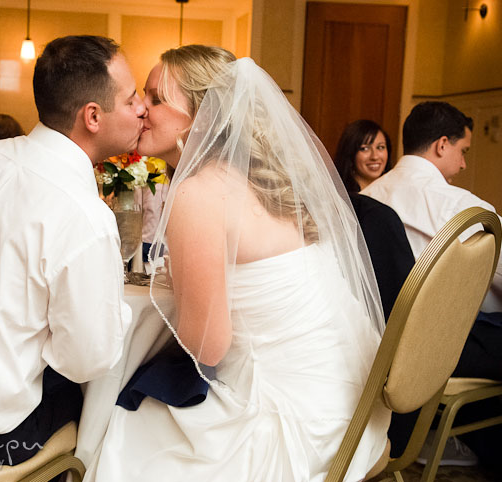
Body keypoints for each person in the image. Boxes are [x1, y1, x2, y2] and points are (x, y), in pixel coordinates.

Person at [87, 45, 390, 481]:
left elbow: (208, 346)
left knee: (119, 431)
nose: (141, 110)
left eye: (156, 99)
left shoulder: (198, 193)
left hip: (294, 421)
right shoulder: (260, 177)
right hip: (353, 404)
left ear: (202, 117)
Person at [0, 35, 144, 469]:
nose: (142, 108)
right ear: (92, 116)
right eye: (131, 99)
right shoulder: (84, 217)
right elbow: (88, 360)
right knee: (124, 415)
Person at [362, 101, 502, 468]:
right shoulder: (461, 206)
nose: (463, 165)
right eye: (463, 151)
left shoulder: (364, 200)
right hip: (436, 349)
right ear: (442, 144)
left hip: (373, 343)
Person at [334, 119, 391, 193]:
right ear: (351, 153)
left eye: (380, 147)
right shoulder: (340, 196)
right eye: (365, 149)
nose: (375, 157)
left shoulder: (393, 191)